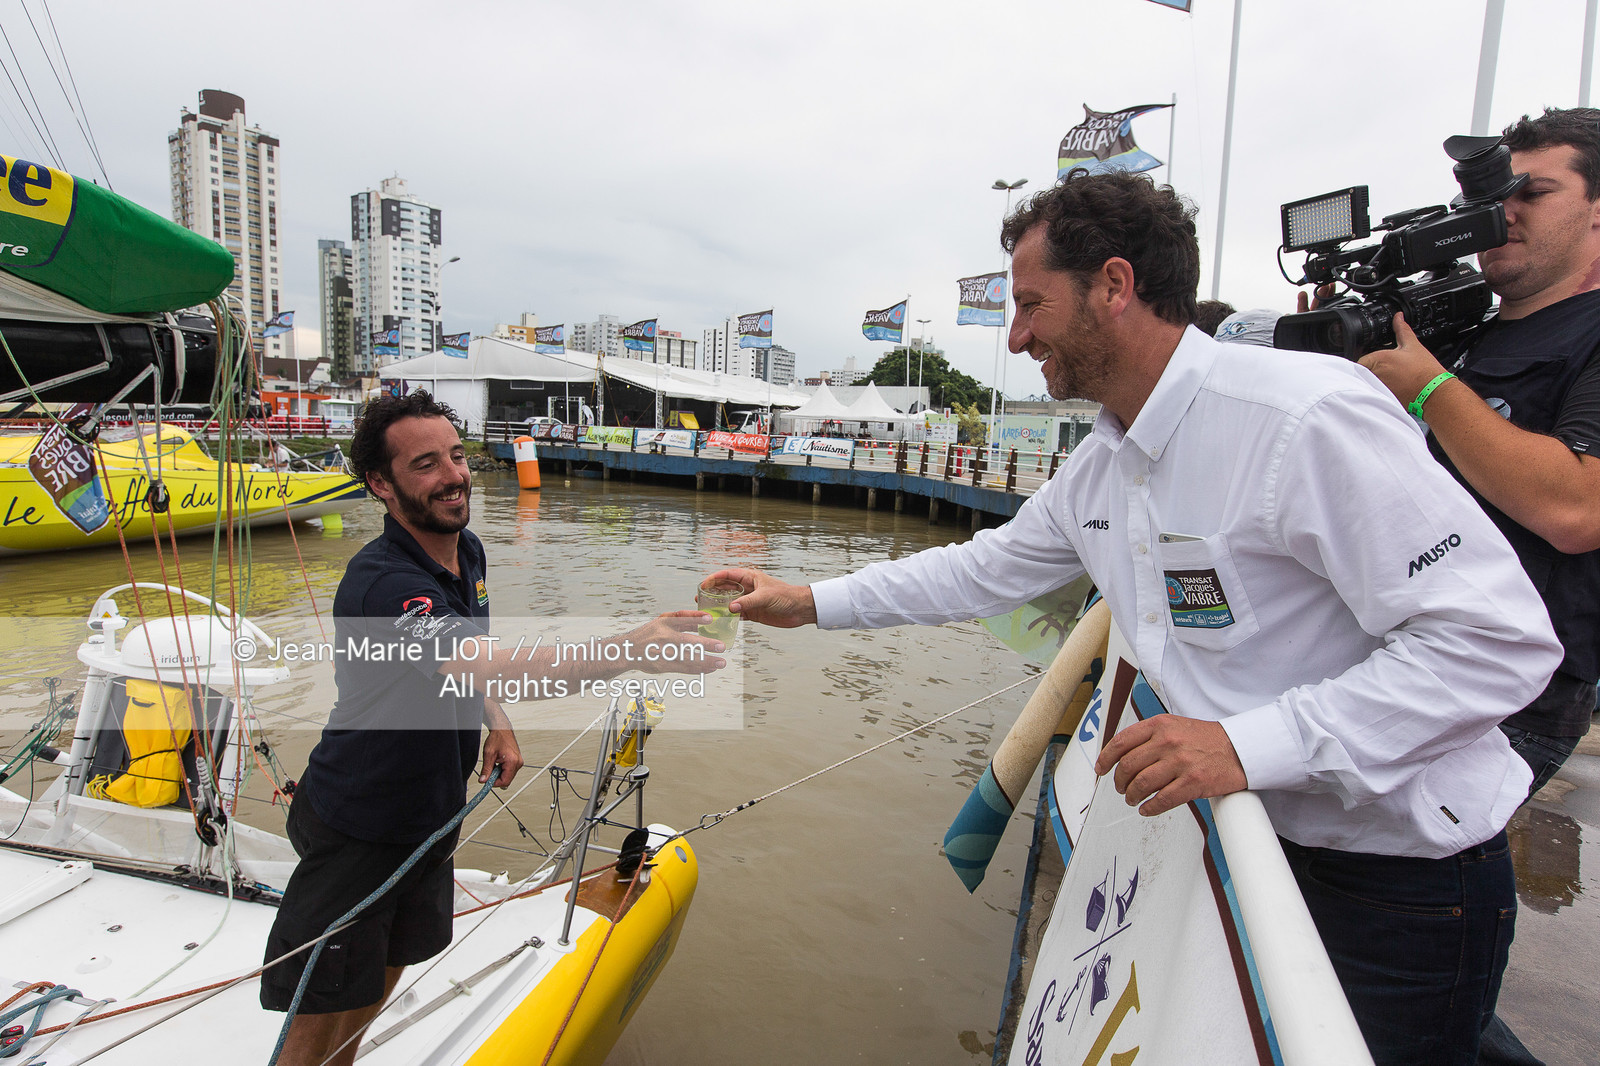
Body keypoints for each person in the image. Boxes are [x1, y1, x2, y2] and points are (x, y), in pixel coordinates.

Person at [709, 171, 1561, 1066]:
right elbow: (983, 569)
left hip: (1397, 886)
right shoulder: (1103, 465)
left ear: (1114, 286)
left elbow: (1494, 644)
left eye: (1033, 305)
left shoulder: (1300, 418)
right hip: (1248, 847)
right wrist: (806, 604)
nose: (1017, 335)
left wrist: (1244, 744)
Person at [262, 391, 719, 1066]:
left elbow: (472, 661)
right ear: (381, 486)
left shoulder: (464, 551)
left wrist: (497, 725)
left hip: (430, 812)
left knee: (390, 962)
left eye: (456, 455)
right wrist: (633, 645)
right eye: (426, 464)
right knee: (320, 1005)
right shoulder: (382, 585)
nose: (453, 474)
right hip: (359, 822)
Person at [1349, 106, 1600, 1066]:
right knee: (1376, 922)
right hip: (1410, 656)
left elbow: (1576, 507)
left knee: (1401, 922)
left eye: (1533, 193)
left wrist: (1425, 389)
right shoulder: (1462, 333)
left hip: (1516, 691)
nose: (1504, 216)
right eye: (1492, 198)